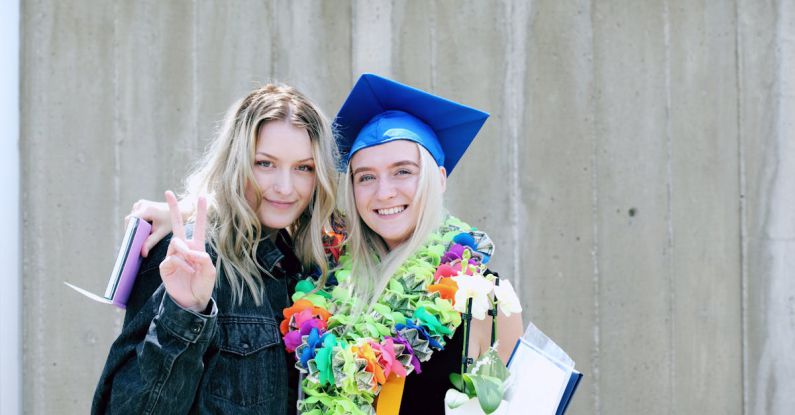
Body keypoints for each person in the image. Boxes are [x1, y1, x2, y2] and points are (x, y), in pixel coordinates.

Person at [281, 74, 524, 415]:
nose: (384, 192)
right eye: (366, 177)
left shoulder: (486, 300)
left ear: (438, 179)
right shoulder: (321, 280)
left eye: (403, 171)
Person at [92, 83, 339, 415]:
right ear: (237, 162)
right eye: (265, 163)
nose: (285, 187)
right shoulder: (188, 257)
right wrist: (183, 312)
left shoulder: (315, 266)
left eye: (303, 168)